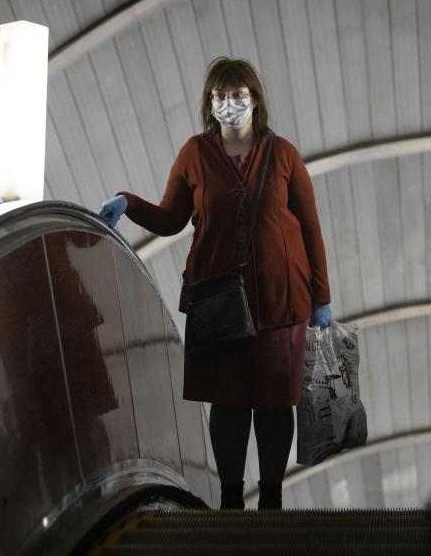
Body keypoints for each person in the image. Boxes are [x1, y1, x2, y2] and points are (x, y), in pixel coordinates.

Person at [96, 57, 332, 510]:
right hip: (218, 301)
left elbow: (310, 227)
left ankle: (271, 497)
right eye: (220, 96)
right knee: (228, 403)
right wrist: (127, 203)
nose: (229, 104)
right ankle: (229, 499)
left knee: (273, 402)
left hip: (280, 301)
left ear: (255, 99)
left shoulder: (282, 154)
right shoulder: (194, 154)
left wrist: (322, 297)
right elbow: (170, 218)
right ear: (210, 101)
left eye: (237, 95)